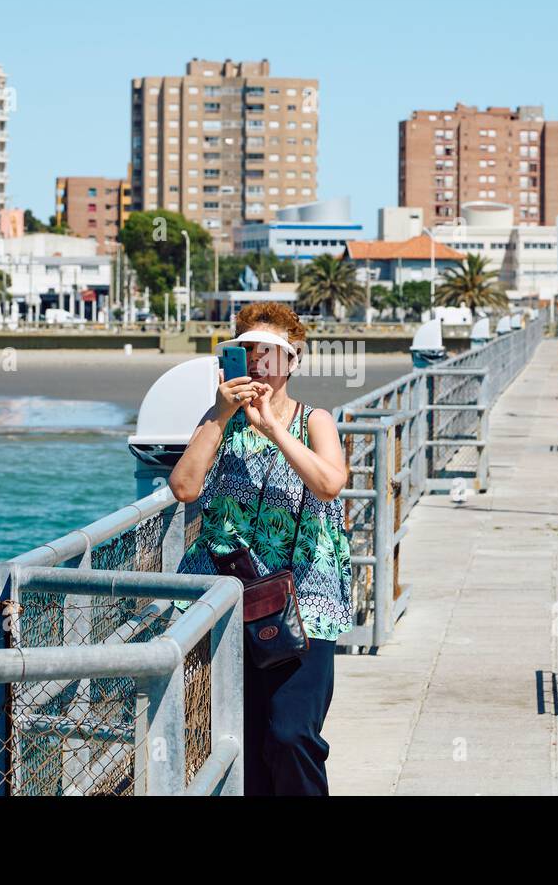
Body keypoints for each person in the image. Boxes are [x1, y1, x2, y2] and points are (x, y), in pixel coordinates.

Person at [169, 301, 352, 795]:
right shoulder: (218, 422)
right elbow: (184, 488)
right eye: (245, 350)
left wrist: (274, 428)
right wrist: (220, 413)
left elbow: (329, 483)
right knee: (241, 741)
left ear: (293, 360)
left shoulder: (315, 420)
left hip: (305, 602)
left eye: (268, 352)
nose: (257, 362)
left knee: (291, 735)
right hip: (228, 600)